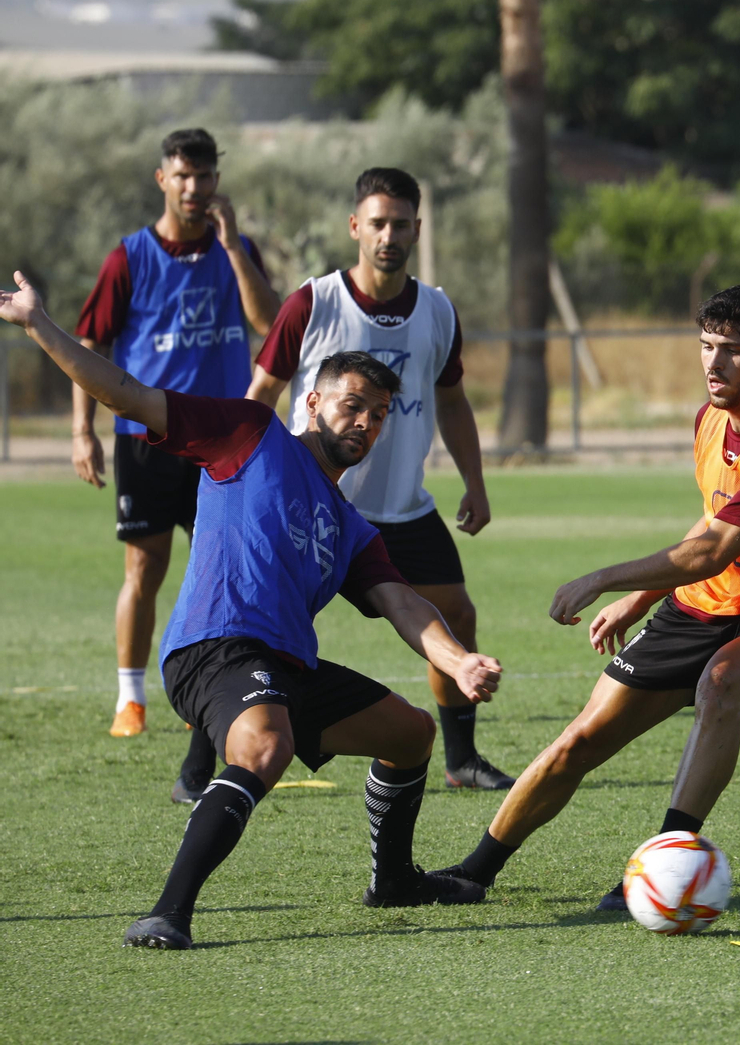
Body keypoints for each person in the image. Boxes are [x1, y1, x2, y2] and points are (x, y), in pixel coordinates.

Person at [1, 274, 501, 949]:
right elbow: (128, 393)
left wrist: (458, 659)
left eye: (380, 414)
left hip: (288, 666)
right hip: (215, 648)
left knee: (411, 734)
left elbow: (402, 602)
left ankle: (394, 882)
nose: (366, 422)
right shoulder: (249, 431)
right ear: (313, 401)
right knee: (266, 745)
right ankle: (167, 912)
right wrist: (39, 324)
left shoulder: (349, 523)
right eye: (354, 405)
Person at [441, 286, 740, 912]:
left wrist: (604, 578)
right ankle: (474, 872)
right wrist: (638, 602)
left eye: (733, 351)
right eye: (707, 347)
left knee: (722, 680)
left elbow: (714, 548)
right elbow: (709, 526)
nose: (714, 364)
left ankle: (667, 861)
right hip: (704, 602)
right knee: (581, 739)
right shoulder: (709, 420)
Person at [169, 166, 510, 801]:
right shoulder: (314, 302)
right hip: (315, 505)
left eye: (401, 224)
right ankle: (198, 763)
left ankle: (460, 757)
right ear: (356, 226)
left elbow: (455, 402)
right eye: (377, 223)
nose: (389, 235)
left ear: (416, 228)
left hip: (403, 510)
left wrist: (476, 480)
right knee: (249, 625)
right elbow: (260, 394)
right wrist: (242, 482)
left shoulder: (437, 309)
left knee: (456, 613)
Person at [74, 127, 280, 739]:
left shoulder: (235, 247)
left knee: (223, 571)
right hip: (145, 438)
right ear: (162, 179)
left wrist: (235, 248)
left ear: (218, 180)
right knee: (144, 568)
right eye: (183, 175)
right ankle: (130, 699)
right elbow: (91, 344)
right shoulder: (128, 257)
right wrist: (83, 431)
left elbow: (270, 324)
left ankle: (209, 697)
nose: (195, 187)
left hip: (219, 439)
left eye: (206, 175)